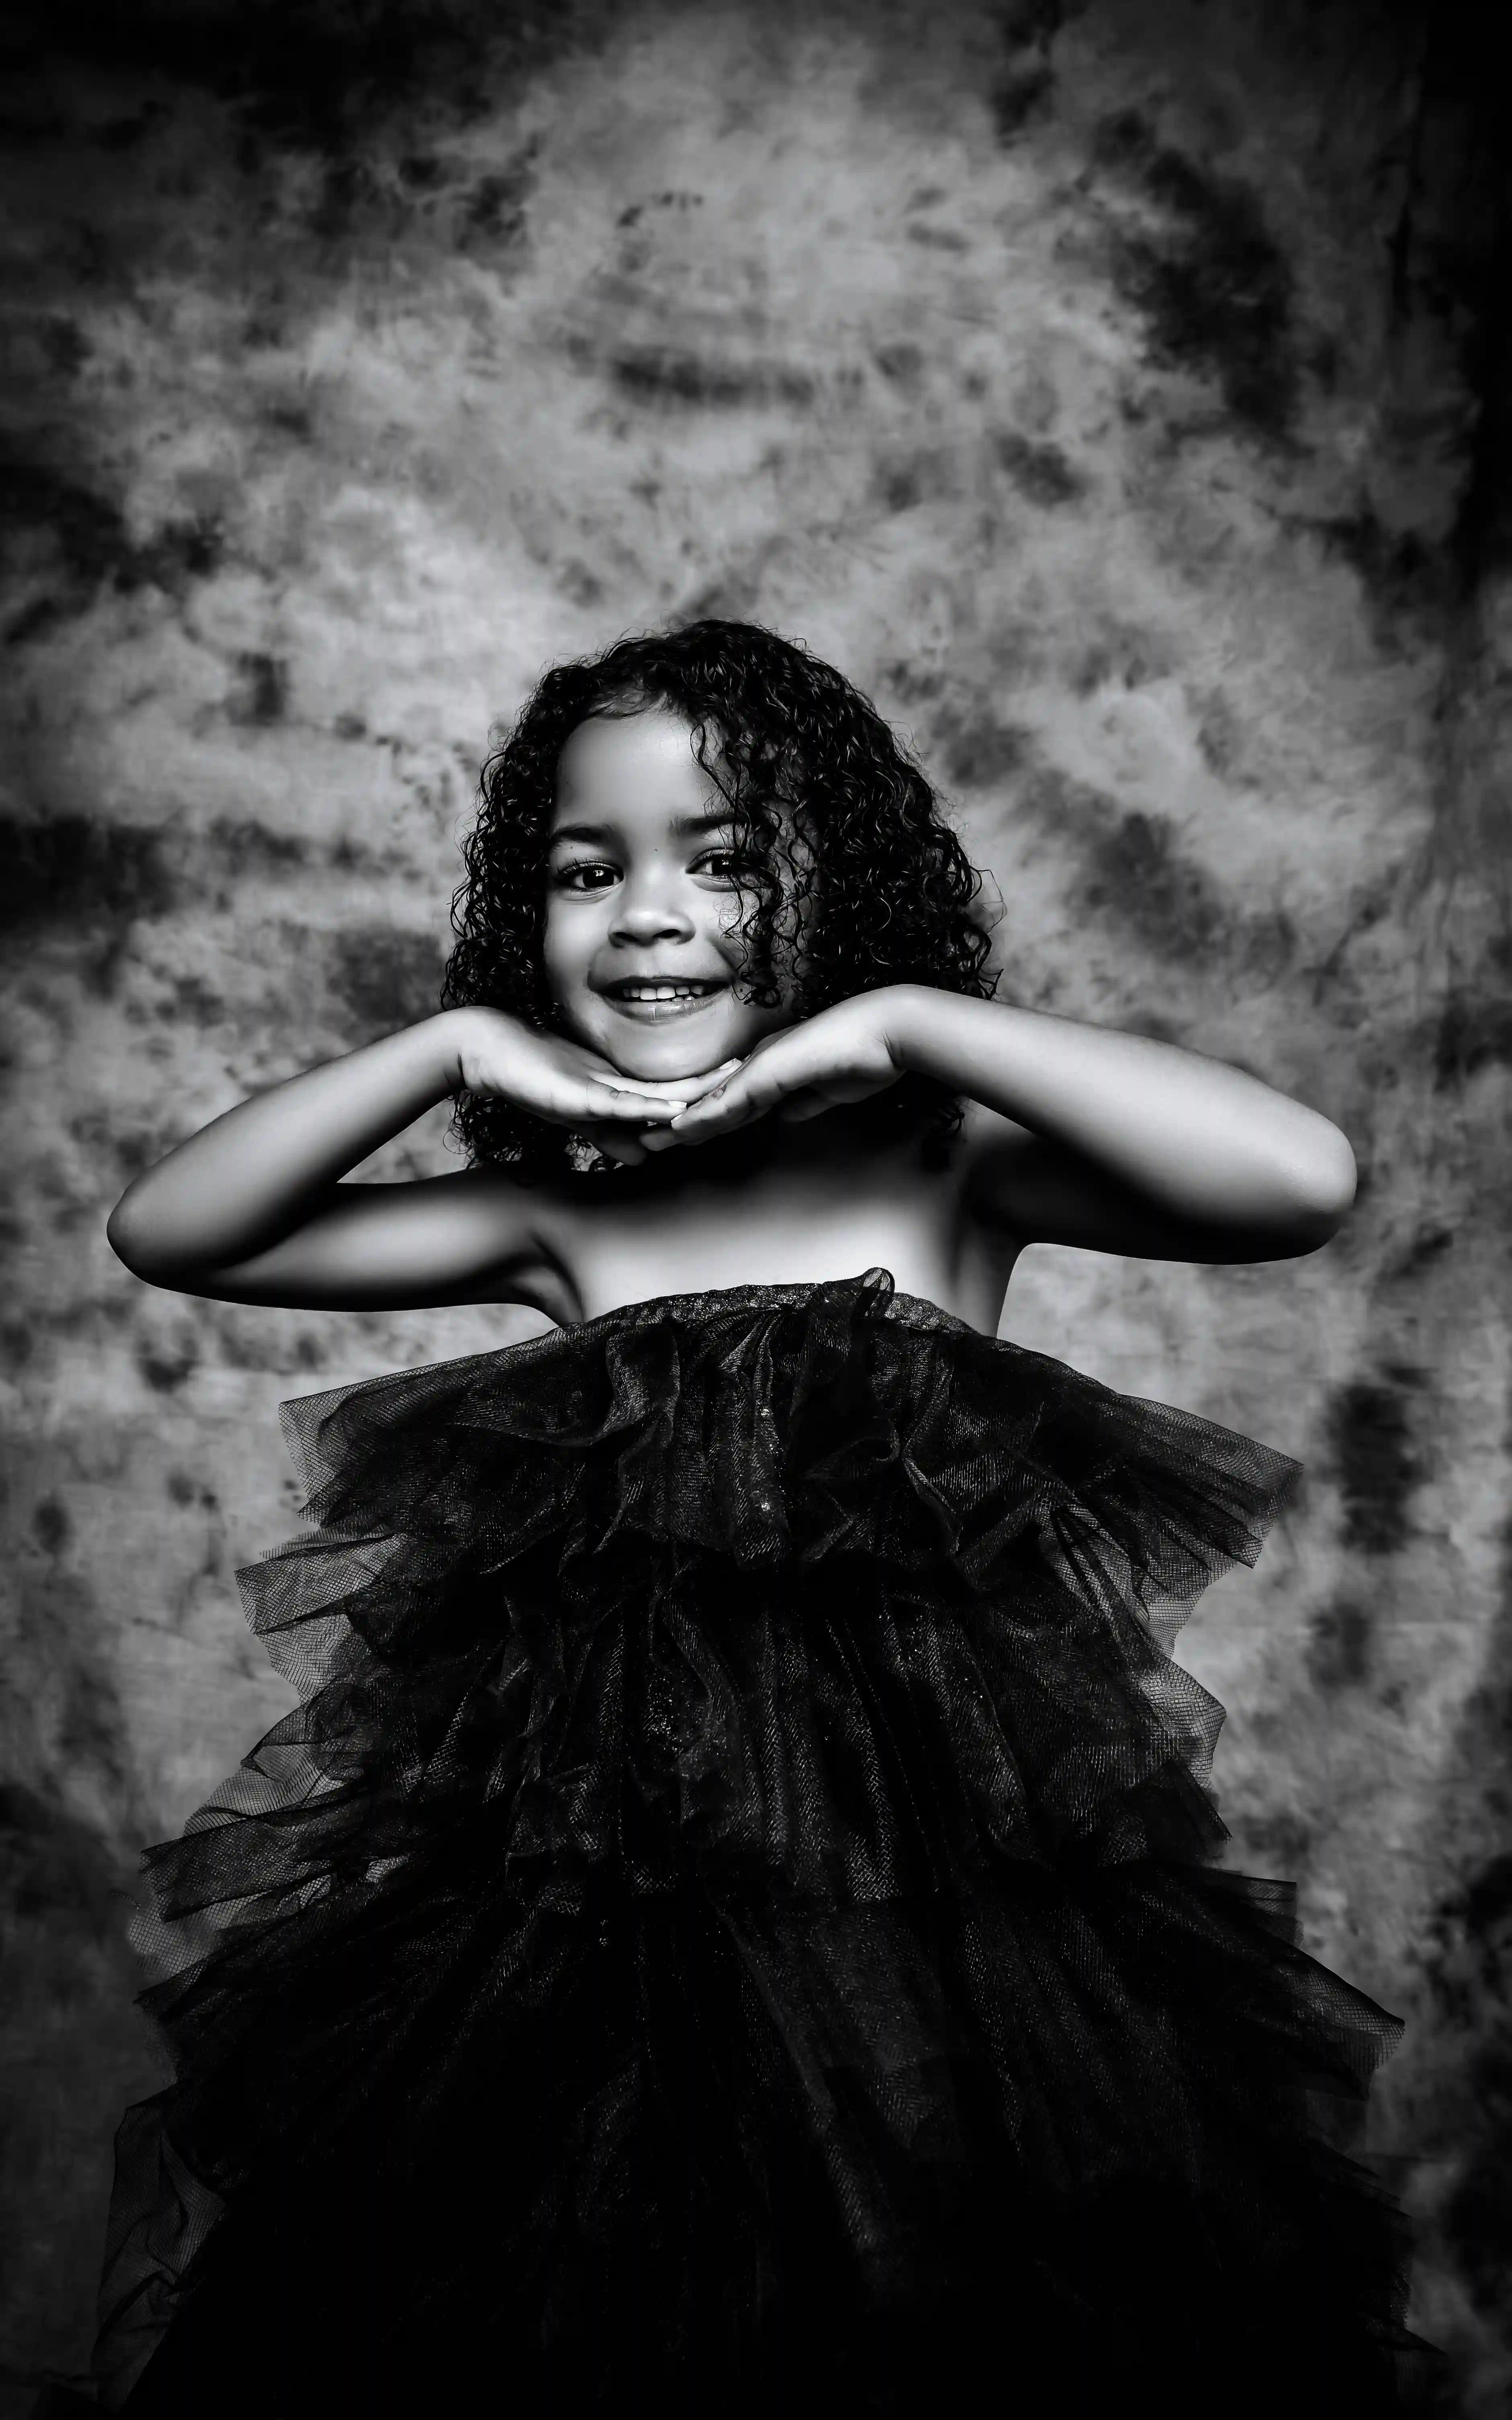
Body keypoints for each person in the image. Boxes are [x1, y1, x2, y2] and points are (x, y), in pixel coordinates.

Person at [92, 621, 1443, 2416]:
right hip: (603, 1959)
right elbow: (176, 1227)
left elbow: (1302, 1178)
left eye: (725, 860)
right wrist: (457, 1046)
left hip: (949, 1952)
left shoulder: (947, 1169)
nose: (650, 916)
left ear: (842, 892)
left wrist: (901, 1021)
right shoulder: (563, 1219)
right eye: (588, 872)